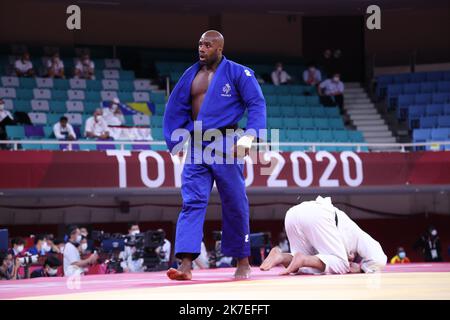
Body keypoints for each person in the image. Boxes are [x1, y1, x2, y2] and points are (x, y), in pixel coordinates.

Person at [163, 30, 266, 280]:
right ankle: (185, 264)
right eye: (199, 44)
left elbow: (257, 104)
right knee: (191, 202)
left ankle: (243, 261)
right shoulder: (191, 75)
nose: (202, 48)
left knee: (234, 200)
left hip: (226, 141)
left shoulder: (239, 72)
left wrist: (249, 136)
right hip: (197, 145)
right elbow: (176, 107)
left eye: (207, 45)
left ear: (219, 48)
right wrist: (177, 140)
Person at [260, 196, 387, 275]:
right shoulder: (361, 238)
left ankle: (281, 256)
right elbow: (380, 259)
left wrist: (358, 266)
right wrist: (361, 269)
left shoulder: (343, 242)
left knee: (304, 266)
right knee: (342, 265)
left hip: (293, 214)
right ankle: (303, 259)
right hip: (320, 215)